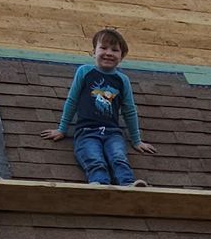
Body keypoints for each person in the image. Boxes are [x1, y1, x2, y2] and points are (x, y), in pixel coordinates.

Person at [47, 27, 156, 185]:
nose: (109, 53)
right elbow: (72, 101)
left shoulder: (122, 80)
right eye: (103, 48)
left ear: (122, 56)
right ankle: (99, 185)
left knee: (119, 158)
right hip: (87, 131)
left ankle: (128, 185)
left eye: (115, 50)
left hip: (113, 133)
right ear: (93, 52)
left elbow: (129, 111)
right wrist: (62, 129)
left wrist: (136, 140)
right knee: (94, 159)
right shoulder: (84, 72)